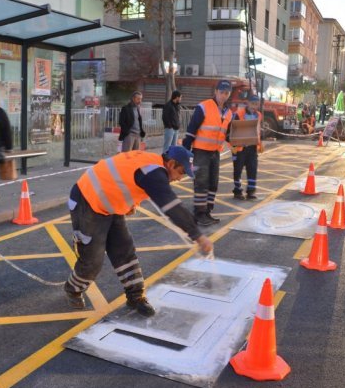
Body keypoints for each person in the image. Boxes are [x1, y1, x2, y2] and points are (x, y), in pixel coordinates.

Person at [64, 146, 213, 317]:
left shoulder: (152, 164)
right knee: (92, 259)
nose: (180, 179)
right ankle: (73, 289)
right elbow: (171, 206)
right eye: (181, 172)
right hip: (87, 201)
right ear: (171, 164)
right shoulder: (154, 173)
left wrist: (131, 204)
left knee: (124, 251)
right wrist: (198, 236)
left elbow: (125, 178)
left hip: (110, 205)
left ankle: (135, 297)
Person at [183, 79, 233, 226]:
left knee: (213, 183)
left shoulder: (229, 113)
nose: (224, 95)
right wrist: (185, 150)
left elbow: (228, 134)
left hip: (215, 152)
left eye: (227, 93)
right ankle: (199, 213)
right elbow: (191, 130)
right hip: (201, 152)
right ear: (215, 92)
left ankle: (207, 211)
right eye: (221, 92)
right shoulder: (204, 107)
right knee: (201, 182)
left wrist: (238, 140)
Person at [232, 104, 262, 200]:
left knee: (252, 169)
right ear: (248, 103)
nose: (254, 106)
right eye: (252, 104)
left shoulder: (258, 115)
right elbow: (232, 129)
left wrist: (260, 142)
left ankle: (251, 192)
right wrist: (233, 145)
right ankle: (238, 191)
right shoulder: (238, 114)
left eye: (256, 104)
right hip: (240, 148)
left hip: (252, 147)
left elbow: (258, 130)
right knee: (238, 170)